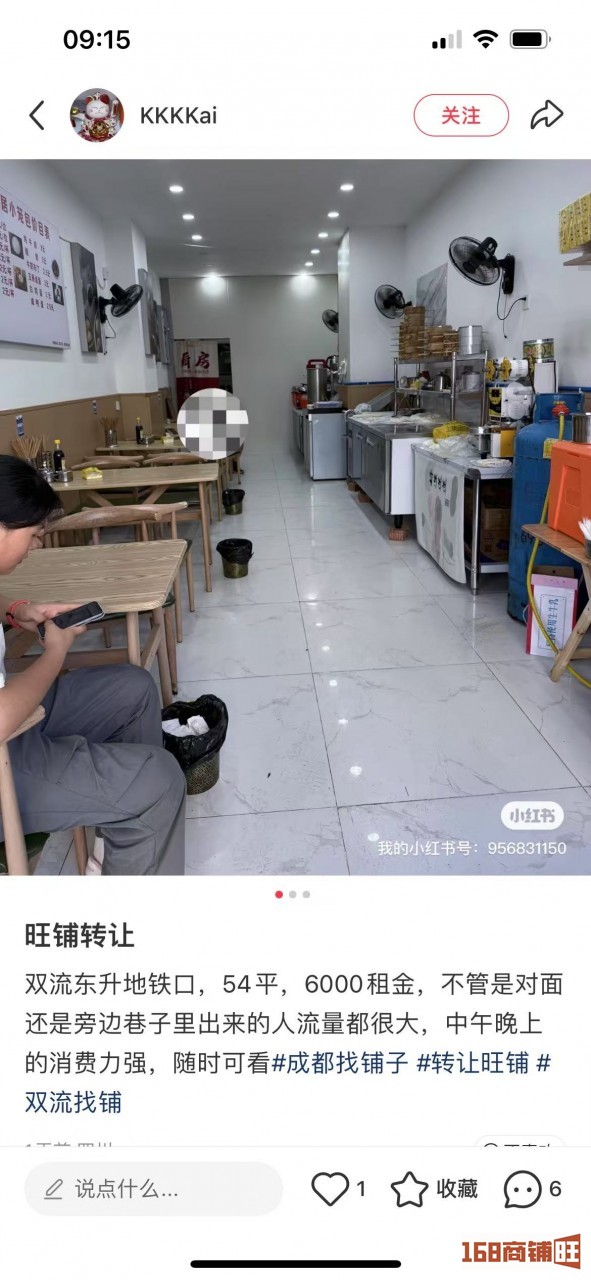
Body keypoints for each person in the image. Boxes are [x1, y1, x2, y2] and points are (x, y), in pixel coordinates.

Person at [0, 455, 186, 875]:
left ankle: (123, 840)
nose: (37, 546)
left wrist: (18, 610)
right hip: (4, 748)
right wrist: (55, 653)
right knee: (160, 780)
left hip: (14, 724)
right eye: (33, 535)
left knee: (133, 689)